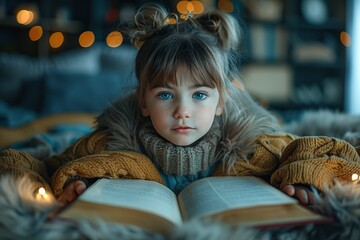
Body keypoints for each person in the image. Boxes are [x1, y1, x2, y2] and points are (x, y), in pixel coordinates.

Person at [3, 3, 359, 208]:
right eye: (165, 95)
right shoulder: (105, 146)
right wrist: (65, 184)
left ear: (221, 103)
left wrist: (306, 180)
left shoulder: (254, 146)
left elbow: (312, 152)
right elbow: (32, 162)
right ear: (143, 103)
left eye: (200, 95)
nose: (182, 111)